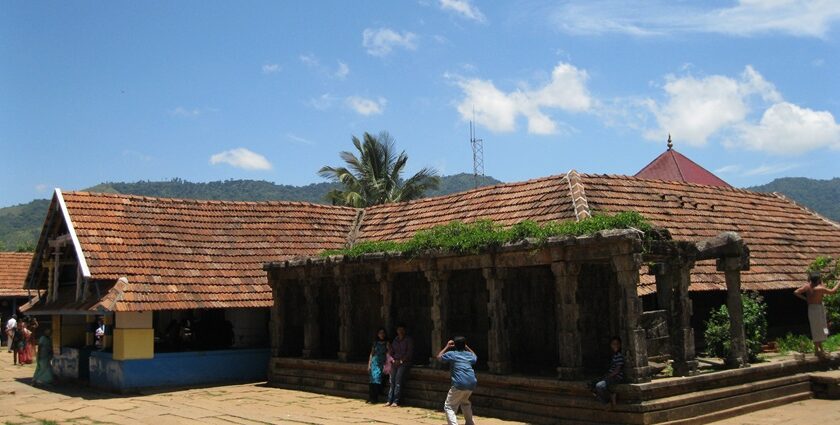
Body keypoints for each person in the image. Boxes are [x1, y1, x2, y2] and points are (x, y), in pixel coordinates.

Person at [795, 273, 838, 358]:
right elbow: (833, 291)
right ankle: (816, 350)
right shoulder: (819, 288)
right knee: (819, 329)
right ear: (818, 280)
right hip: (817, 309)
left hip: (812, 308)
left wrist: (806, 299)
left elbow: (796, 292)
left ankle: (820, 350)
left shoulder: (807, 286)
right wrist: (839, 283)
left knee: (819, 328)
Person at [437, 336, 478, 425]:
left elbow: (439, 357)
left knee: (449, 407)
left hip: (459, 383)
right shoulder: (469, 355)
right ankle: (470, 423)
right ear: (464, 345)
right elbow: (475, 356)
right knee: (465, 402)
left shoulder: (452, 354)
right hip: (471, 383)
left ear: (454, 345)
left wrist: (447, 346)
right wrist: (466, 347)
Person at [591, 336, 624, 407]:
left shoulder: (619, 355)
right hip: (610, 376)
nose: (615, 346)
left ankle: (608, 400)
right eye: (613, 344)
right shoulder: (614, 355)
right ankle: (609, 398)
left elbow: (617, 370)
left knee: (599, 386)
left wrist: (609, 376)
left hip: (615, 377)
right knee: (592, 386)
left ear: (620, 345)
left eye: (617, 344)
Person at [386, 324, 413, 407]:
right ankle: (389, 400)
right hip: (395, 362)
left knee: (398, 380)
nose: (400, 332)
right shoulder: (395, 340)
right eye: (399, 330)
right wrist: (392, 359)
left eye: (402, 330)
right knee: (392, 381)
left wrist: (401, 361)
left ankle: (396, 401)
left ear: (404, 331)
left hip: (404, 363)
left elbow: (409, 353)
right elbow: (392, 351)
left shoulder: (408, 340)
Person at [367, 327, 390, 404]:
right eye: (380, 333)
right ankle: (370, 397)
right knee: (372, 380)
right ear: (378, 334)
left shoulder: (387, 343)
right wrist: (369, 364)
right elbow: (372, 353)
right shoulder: (375, 343)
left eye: (383, 333)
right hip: (374, 362)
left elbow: (389, 353)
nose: (382, 335)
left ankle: (375, 398)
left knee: (377, 379)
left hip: (382, 362)